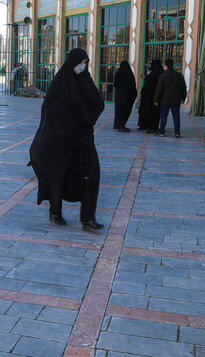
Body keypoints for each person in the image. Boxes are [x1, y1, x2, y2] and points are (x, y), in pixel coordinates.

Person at [29, 48, 105, 232]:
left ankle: (88, 218)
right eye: (81, 62)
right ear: (73, 62)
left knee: (92, 174)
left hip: (84, 139)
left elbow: (97, 104)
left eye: (86, 63)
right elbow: (50, 113)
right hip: (61, 141)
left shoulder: (85, 81)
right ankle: (55, 211)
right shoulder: (60, 84)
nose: (83, 66)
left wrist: (84, 117)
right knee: (59, 176)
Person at [154, 58, 187, 137]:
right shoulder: (179, 75)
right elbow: (183, 88)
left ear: (166, 66)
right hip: (176, 100)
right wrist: (183, 98)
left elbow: (159, 89)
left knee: (163, 117)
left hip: (164, 100)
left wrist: (156, 99)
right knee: (176, 117)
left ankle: (162, 132)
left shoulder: (162, 76)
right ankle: (177, 133)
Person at [138, 59, 163, 133]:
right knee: (152, 111)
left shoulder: (155, 74)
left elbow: (152, 83)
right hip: (152, 96)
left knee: (151, 111)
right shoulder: (159, 73)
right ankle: (149, 125)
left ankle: (151, 126)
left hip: (151, 97)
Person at [113, 60, 138, 132]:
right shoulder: (129, 74)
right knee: (125, 111)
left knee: (119, 111)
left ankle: (118, 125)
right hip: (127, 97)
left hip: (119, 97)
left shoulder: (118, 73)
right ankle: (122, 125)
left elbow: (115, 84)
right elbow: (133, 85)